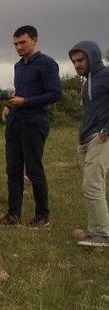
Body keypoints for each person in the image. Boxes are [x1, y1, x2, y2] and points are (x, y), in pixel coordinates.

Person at [0, 25, 62, 227]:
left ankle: (42, 215)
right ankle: (13, 215)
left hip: (35, 123)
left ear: (34, 40)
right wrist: (10, 106)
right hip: (15, 122)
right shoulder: (18, 66)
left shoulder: (47, 63)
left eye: (22, 42)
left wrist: (25, 102)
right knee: (13, 170)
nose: (18, 47)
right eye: (15, 44)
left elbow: (55, 94)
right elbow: (19, 93)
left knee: (34, 170)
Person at [69, 41, 109, 247]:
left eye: (80, 59)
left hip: (101, 137)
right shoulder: (86, 83)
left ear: (92, 56)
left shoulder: (106, 75)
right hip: (85, 140)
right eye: (74, 61)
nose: (76, 64)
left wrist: (107, 129)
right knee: (94, 186)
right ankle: (95, 232)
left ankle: (103, 234)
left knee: (92, 185)